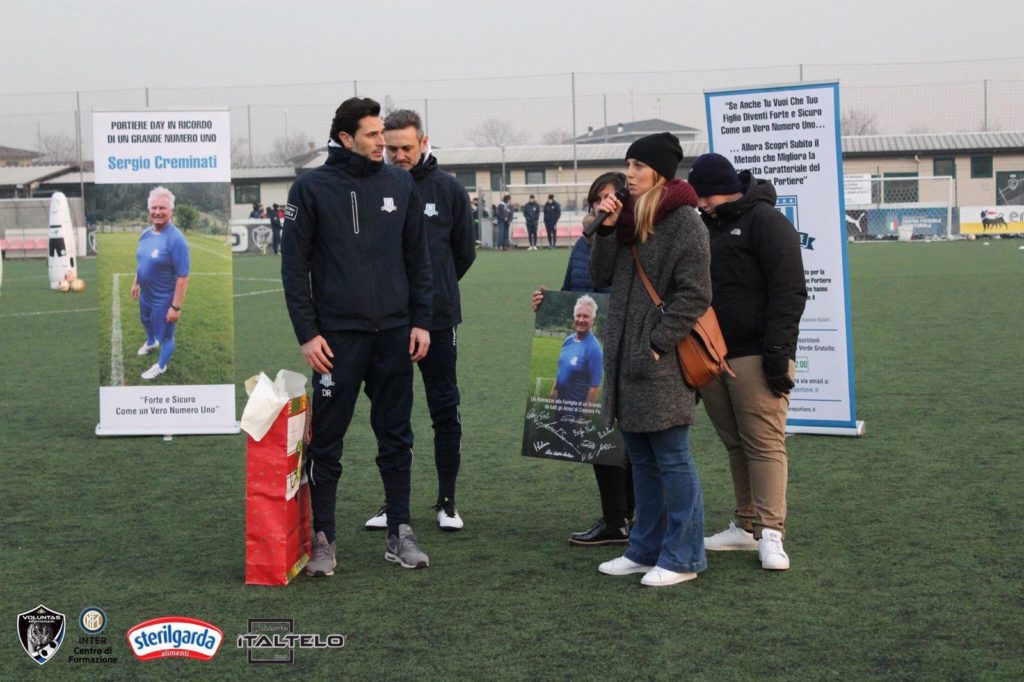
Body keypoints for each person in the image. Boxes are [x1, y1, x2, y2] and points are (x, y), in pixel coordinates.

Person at [281, 97, 434, 576]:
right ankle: (323, 539)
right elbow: (293, 268)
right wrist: (308, 334)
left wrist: (421, 320)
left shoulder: (400, 183)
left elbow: (418, 258)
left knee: (397, 435)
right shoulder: (310, 187)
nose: (382, 142)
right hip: (336, 340)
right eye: (372, 134)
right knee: (327, 440)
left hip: (394, 334)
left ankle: (400, 531)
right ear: (346, 138)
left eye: (382, 133)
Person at [590, 132, 711, 587]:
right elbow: (600, 275)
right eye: (628, 165)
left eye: (638, 166)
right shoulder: (628, 217)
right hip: (626, 359)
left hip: (660, 362)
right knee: (640, 459)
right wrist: (605, 229)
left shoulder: (685, 222)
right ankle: (644, 549)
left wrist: (657, 343)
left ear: (660, 172)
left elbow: (696, 294)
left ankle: (683, 557)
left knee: (672, 459)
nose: (629, 174)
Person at [687, 153, 807, 571]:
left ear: (726, 189)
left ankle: (771, 533)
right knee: (735, 442)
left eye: (705, 196)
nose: (700, 203)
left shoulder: (768, 222)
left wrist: (777, 356)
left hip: (756, 353)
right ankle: (745, 523)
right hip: (712, 354)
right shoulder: (705, 225)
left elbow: (789, 292)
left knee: (764, 442)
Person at [362, 108, 475, 532]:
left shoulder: (449, 189)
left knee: (444, 408)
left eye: (407, 147)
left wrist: (432, 293)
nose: (399, 155)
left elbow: (463, 253)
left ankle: (447, 501)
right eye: (391, 148)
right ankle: (393, 503)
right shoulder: (373, 187)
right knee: (391, 414)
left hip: (438, 321)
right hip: (388, 321)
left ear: (424, 142)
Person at [531, 172, 633, 546]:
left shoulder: (633, 241)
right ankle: (617, 520)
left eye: (612, 197)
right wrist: (548, 302)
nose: (604, 204)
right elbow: (572, 292)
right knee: (598, 439)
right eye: (598, 198)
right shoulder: (581, 244)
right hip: (591, 349)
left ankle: (630, 517)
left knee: (627, 441)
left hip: (625, 352)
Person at [132, 186, 190, 381]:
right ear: (149, 209)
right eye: (154, 207)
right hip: (146, 294)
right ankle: (150, 342)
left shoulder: (176, 240)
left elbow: (183, 277)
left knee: (166, 336)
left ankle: (161, 366)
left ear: (171, 210)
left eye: (162, 208)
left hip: (163, 299)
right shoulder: (145, 234)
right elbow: (142, 261)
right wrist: (136, 282)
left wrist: (175, 307)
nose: (157, 212)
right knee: (145, 320)